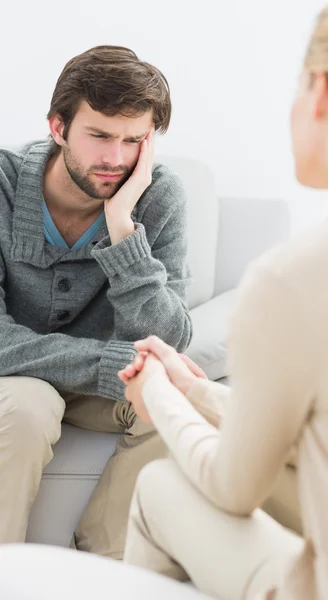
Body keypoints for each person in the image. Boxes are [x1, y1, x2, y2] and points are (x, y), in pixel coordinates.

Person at [120, 2, 328, 599]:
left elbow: (233, 486)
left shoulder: (295, 277)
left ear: (320, 90)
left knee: (160, 487)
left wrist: (161, 397)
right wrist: (193, 388)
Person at [0, 45, 193, 558]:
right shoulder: (2, 183)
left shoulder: (158, 196)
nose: (115, 158)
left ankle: (105, 574)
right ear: (58, 126)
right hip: (15, 380)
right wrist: (110, 364)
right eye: (100, 135)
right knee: (27, 409)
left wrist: (124, 228)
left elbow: (170, 339)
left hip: (99, 386)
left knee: (173, 402)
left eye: (134, 140)